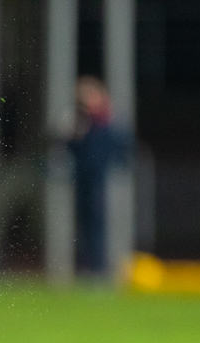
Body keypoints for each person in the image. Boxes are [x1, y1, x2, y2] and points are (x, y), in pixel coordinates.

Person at [70, 76, 131, 276]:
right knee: (85, 223)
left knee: (101, 223)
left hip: (105, 180)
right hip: (85, 179)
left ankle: (102, 266)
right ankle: (89, 265)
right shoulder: (82, 123)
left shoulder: (110, 121)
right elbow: (74, 150)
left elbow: (123, 149)